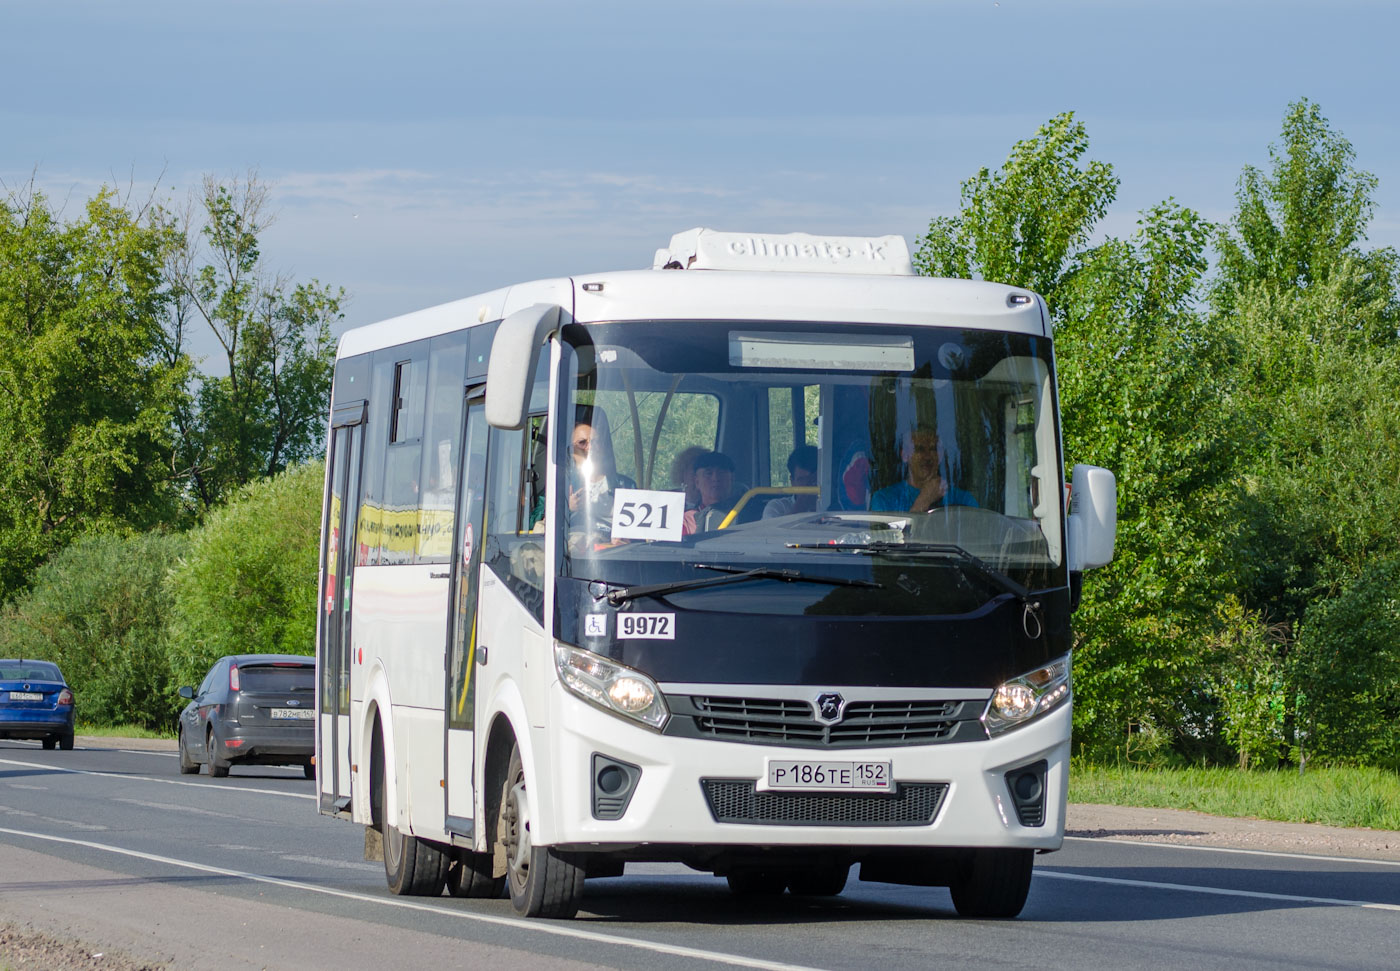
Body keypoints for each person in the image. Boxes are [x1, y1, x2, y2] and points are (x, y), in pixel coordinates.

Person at [566, 406, 635, 549]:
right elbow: (535, 522)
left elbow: (640, 530)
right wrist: (568, 508)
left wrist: (626, 538)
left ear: (603, 446)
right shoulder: (559, 484)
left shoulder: (626, 485)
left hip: (615, 555)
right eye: (582, 443)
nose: (590, 447)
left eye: (595, 442)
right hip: (575, 558)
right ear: (571, 450)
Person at [870, 428, 978, 512]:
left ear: (940, 455)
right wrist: (924, 500)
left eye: (933, 449)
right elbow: (883, 539)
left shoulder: (963, 500)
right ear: (905, 455)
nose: (927, 457)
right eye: (919, 449)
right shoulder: (884, 500)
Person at [683, 450, 746, 533]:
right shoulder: (687, 521)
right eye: (708, 473)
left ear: (732, 479)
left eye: (721, 473)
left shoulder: (746, 515)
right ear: (697, 482)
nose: (715, 478)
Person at [762, 444, 820, 519]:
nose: (808, 485)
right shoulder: (776, 507)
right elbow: (770, 530)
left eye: (813, 480)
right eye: (801, 480)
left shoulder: (834, 508)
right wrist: (802, 505)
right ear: (792, 482)